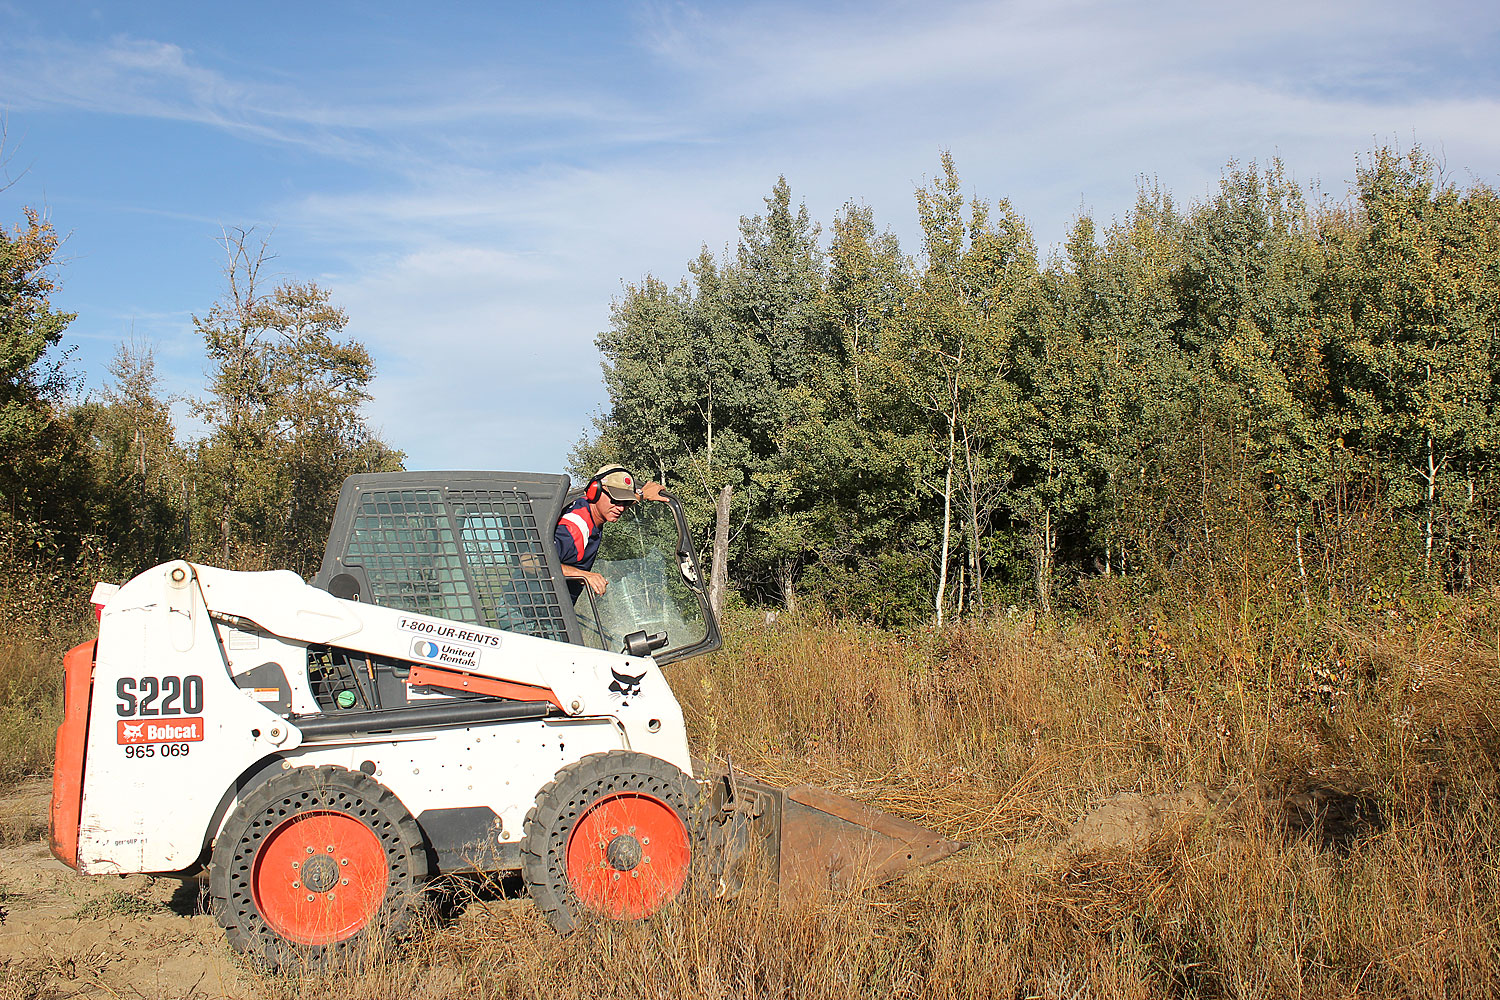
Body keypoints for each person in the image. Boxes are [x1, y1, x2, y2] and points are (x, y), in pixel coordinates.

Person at [555, 465, 665, 597]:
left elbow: (616, 503)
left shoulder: (588, 508)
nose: (620, 508)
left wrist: (642, 494)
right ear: (594, 492)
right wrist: (584, 575)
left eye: (625, 502)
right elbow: (530, 562)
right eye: (615, 500)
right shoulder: (575, 528)